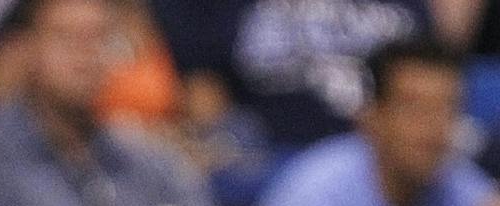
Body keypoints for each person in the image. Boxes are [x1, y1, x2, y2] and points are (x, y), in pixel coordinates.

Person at [0, 0, 226, 206]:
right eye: (66, 37)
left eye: (100, 37)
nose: (86, 55)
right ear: (26, 49)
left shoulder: (148, 167)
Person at [248, 37, 500, 206]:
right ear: (371, 118)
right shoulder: (313, 199)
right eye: (413, 108)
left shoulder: (464, 189)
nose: (432, 125)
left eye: (446, 108)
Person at [154, 0, 432, 151]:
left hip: (374, 160)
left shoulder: (407, 7)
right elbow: (204, 97)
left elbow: (427, 82)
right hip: (264, 156)